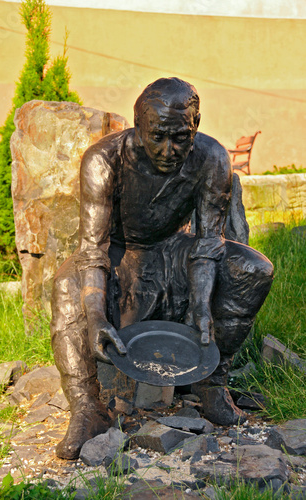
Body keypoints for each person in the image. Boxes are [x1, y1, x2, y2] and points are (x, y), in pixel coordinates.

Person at [50, 77, 273, 460]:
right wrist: (93, 315)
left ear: (196, 125)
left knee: (253, 270)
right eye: (157, 136)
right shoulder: (103, 161)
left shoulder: (212, 157)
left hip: (175, 250)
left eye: (180, 137)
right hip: (122, 254)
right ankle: (87, 407)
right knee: (67, 285)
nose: (169, 150)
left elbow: (207, 245)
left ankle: (211, 383)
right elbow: (92, 250)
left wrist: (202, 307)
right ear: (138, 126)